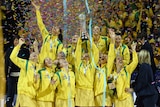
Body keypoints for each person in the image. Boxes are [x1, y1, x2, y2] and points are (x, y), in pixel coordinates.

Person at [109, 29, 138, 107]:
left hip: (127, 99)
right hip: (117, 100)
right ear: (114, 62)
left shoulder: (127, 70)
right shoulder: (112, 74)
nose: (121, 60)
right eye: (118, 59)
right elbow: (110, 87)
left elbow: (135, 62)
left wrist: (134, 51)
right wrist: (112, 84)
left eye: (122, 59)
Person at [10, 38, 39, 107]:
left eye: (35, 54)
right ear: (29, 58)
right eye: (32, 54)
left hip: (32, 95)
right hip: (24, 93)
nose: (34, 55)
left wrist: (36, 80)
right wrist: (19, 44)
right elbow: (13, 57)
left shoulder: (38, 68)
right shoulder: (26, 63)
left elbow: (36, 85)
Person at [32, 2, 63, 67]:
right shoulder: (46, 36)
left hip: (50, 68)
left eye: (56, 28)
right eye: (53, 27)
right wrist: (37, 10)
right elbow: (40, 24)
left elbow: (58, 58)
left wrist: (52, 64)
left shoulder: (59, 44)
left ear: (59, 32)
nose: (54, 28)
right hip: (40, 65)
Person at [74, 33, 99, 106]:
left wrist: (90, 40)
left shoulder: (92, 66)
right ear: (81, 57)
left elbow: (96, 52)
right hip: (79, 91)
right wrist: (79, 41)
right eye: (84, 54)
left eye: (87, 54)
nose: (86, 55)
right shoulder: (78, 65)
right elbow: (77, 53)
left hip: (89, 92)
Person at [5, 36, 29, 107]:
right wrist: (6, 73)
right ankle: (9, 104)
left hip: (21, 75)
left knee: (20, 92)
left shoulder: (25, 51)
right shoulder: (9, 50)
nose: (17, 42)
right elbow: (6, 62)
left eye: (18, 40)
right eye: (15, 40)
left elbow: (27, 62)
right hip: (11, 74)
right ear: (13, 41)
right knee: (10, 92)